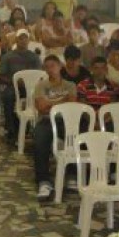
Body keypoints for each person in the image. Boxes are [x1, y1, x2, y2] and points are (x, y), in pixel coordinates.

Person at [33, 55, 77, 200]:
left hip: (67, 120)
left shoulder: (70, 85)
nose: (50, 69)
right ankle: (44, 181)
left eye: (53, 65)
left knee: (76, 138)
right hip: (46, 120)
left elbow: (71, 105)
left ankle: (72, 175)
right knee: (39, 139)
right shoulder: (41, 85)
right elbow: (41, 108)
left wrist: (50, 102)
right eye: (47, 67)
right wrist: (62, 100)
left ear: (60, 66)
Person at [0, 29, 42, 144]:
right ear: (16, 40)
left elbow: (40, 76)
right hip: (13, 86)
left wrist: (29, 83)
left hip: (32, 88)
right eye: (20, 38)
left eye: (25, 38)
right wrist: (14, 82)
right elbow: (1, 76)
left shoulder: (34, 58)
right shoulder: (7, 57)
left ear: (28, 40)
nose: (23, 41)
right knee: (8, 96)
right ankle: (11, 129)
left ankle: (33, 129)